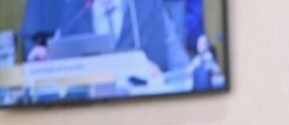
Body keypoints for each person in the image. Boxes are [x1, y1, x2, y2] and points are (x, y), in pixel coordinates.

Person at [27, 0, 189, 72]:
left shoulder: (151, 7)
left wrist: (159, 80)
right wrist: (44, 60)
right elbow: (55, 67)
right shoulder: (75, 13)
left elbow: (183, 72)